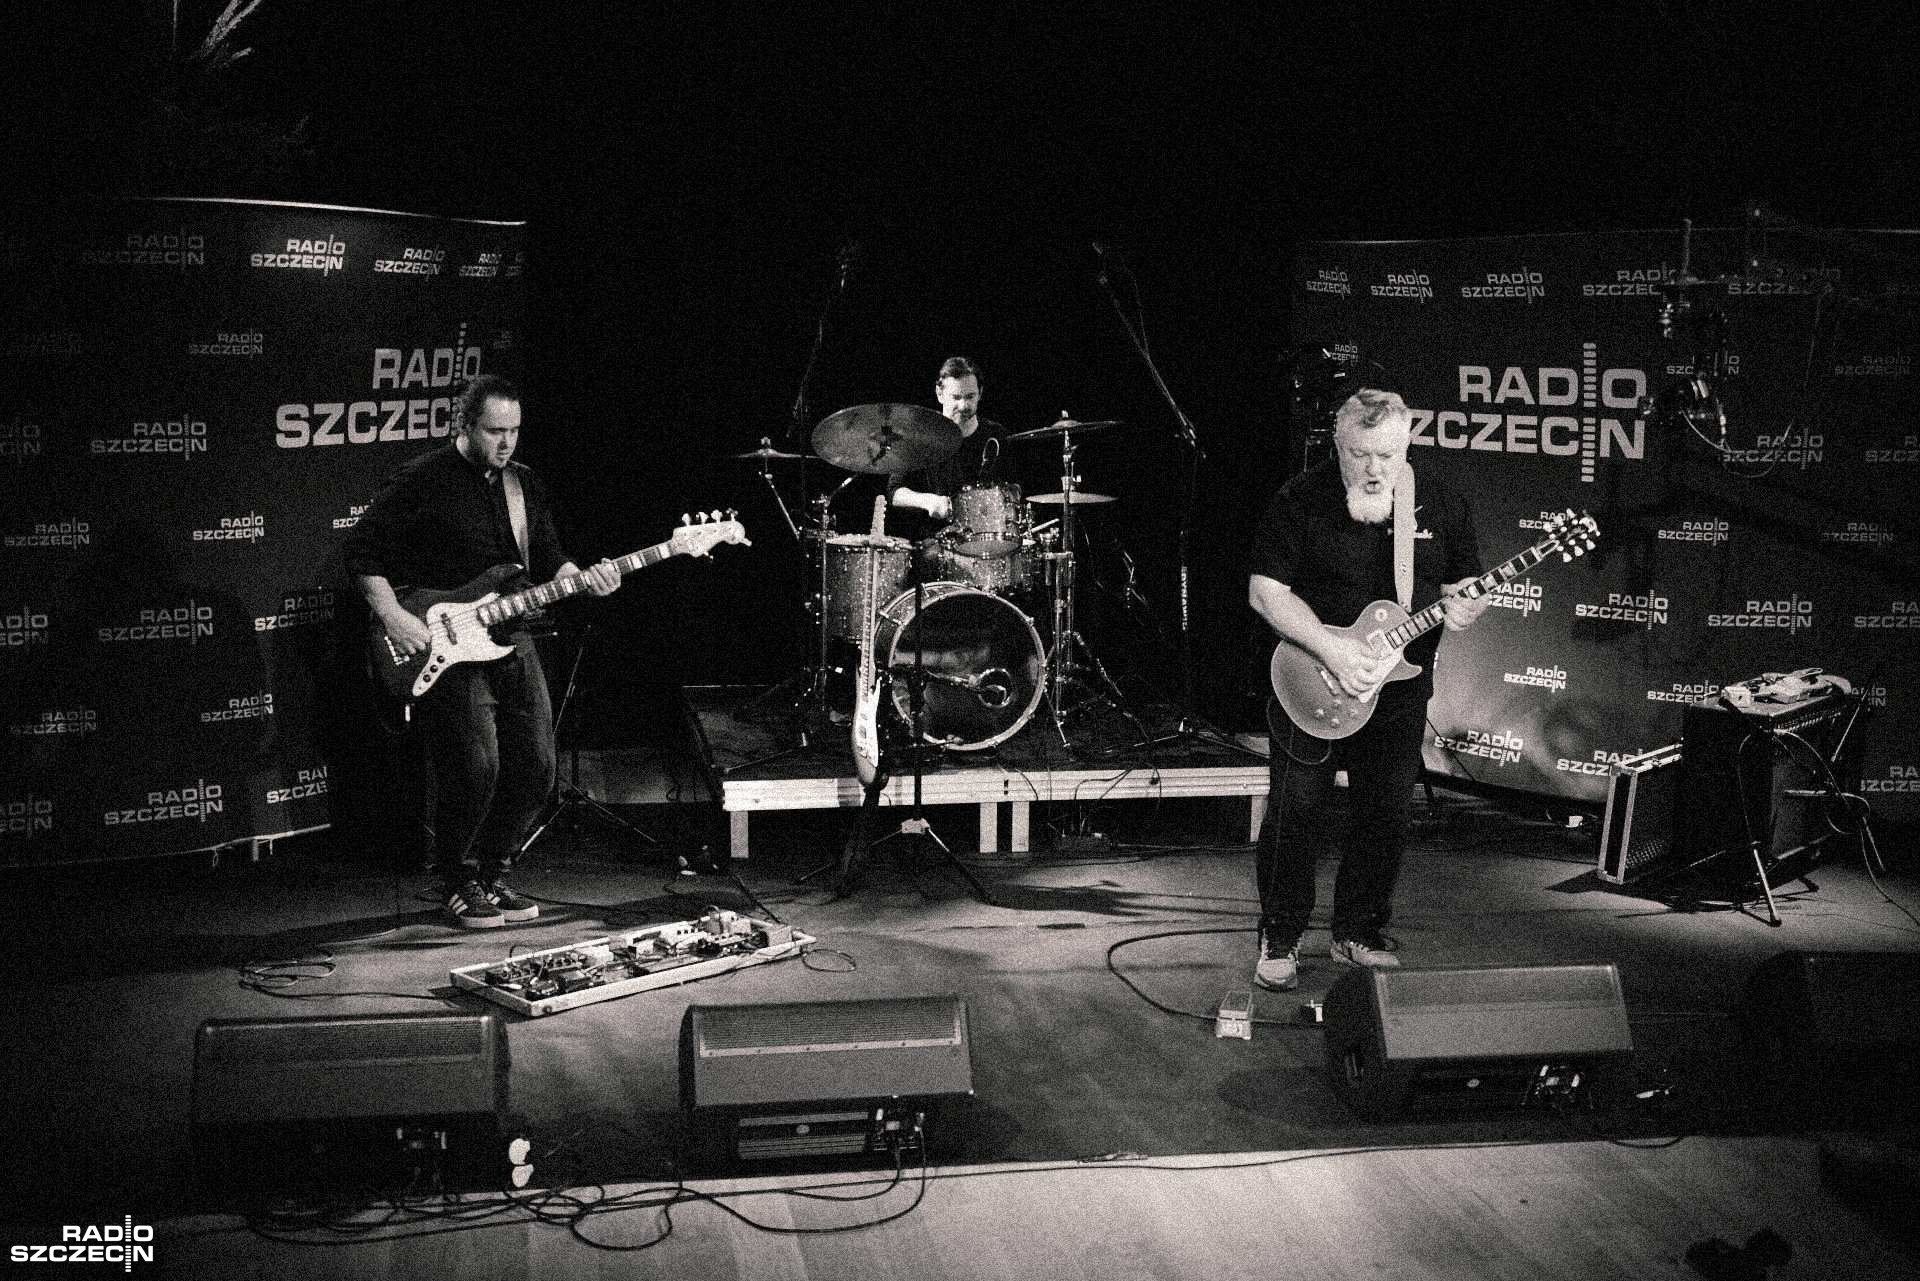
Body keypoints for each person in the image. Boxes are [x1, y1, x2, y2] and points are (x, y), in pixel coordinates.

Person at [344, 374, 621, 928]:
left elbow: (549, 558)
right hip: (449, 642)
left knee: (538, 767)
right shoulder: (422, 479)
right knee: (476, 767)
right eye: (495, 431)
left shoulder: (524, 483)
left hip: (513, 639)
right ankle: (456, 877)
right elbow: (359, 552)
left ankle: (493, 875)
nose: (506, 442)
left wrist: (585, 578)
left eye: (514, 430)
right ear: (464, 425)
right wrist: (394, 616)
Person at [1246, 387, 1488, 990]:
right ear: (1337, 444)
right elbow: (1265, 592)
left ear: (1406, 445)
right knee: (1297, 811)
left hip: (1400, 689)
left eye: (1387, 455)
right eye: (1359, 455)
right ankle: (1280, 936)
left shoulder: (1440, 502)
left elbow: (1463, 584)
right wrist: (1334, 651)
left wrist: (1468, 605)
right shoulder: (1300, 500)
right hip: (1311, 679)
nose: (1375, 469)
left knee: (1384, 813)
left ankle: (1357, 932)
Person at [887, 356, 1012, 534]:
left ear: (980, 393)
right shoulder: (920, 437)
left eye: (970, 397)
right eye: (956, 397)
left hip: (986, 539)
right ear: (940, 394)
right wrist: (928, 501)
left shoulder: (997, 436)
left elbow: (1014, 490)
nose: (963, 405)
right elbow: (894, 492)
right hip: (933, 540)